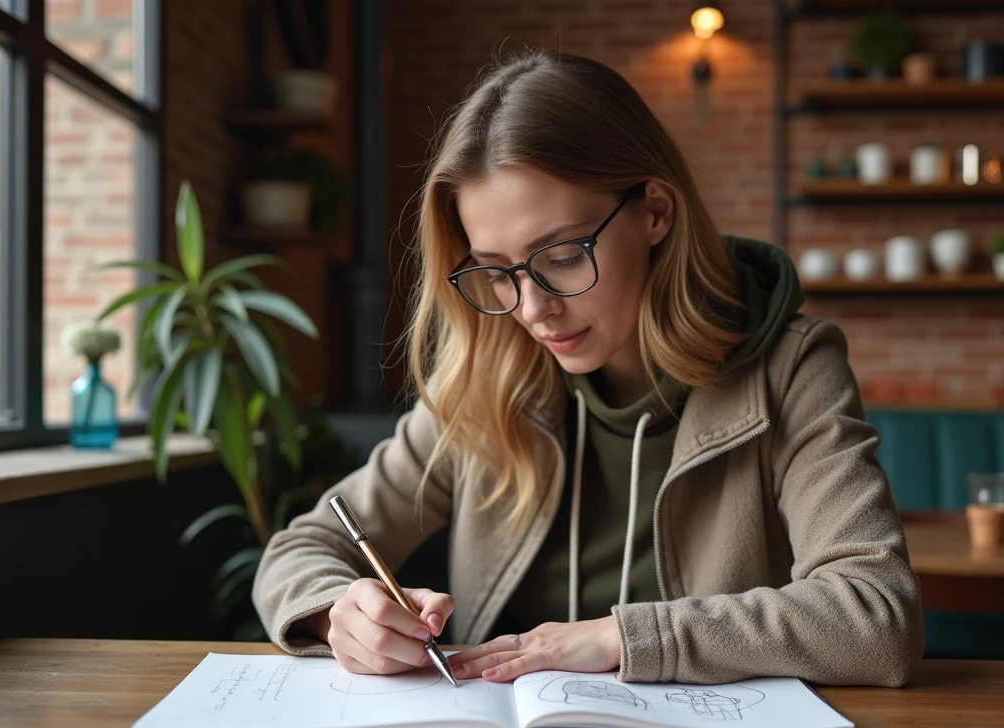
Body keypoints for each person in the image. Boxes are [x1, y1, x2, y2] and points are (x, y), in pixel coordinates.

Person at [252, 50, 923, 688]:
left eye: (563, 256)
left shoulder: (791, 368)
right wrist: (340, 613)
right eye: (497, 272)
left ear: (655, 212)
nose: (533, 309)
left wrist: (621, 638)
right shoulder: (488, 382)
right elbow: (298, 549)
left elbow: (876, 615)